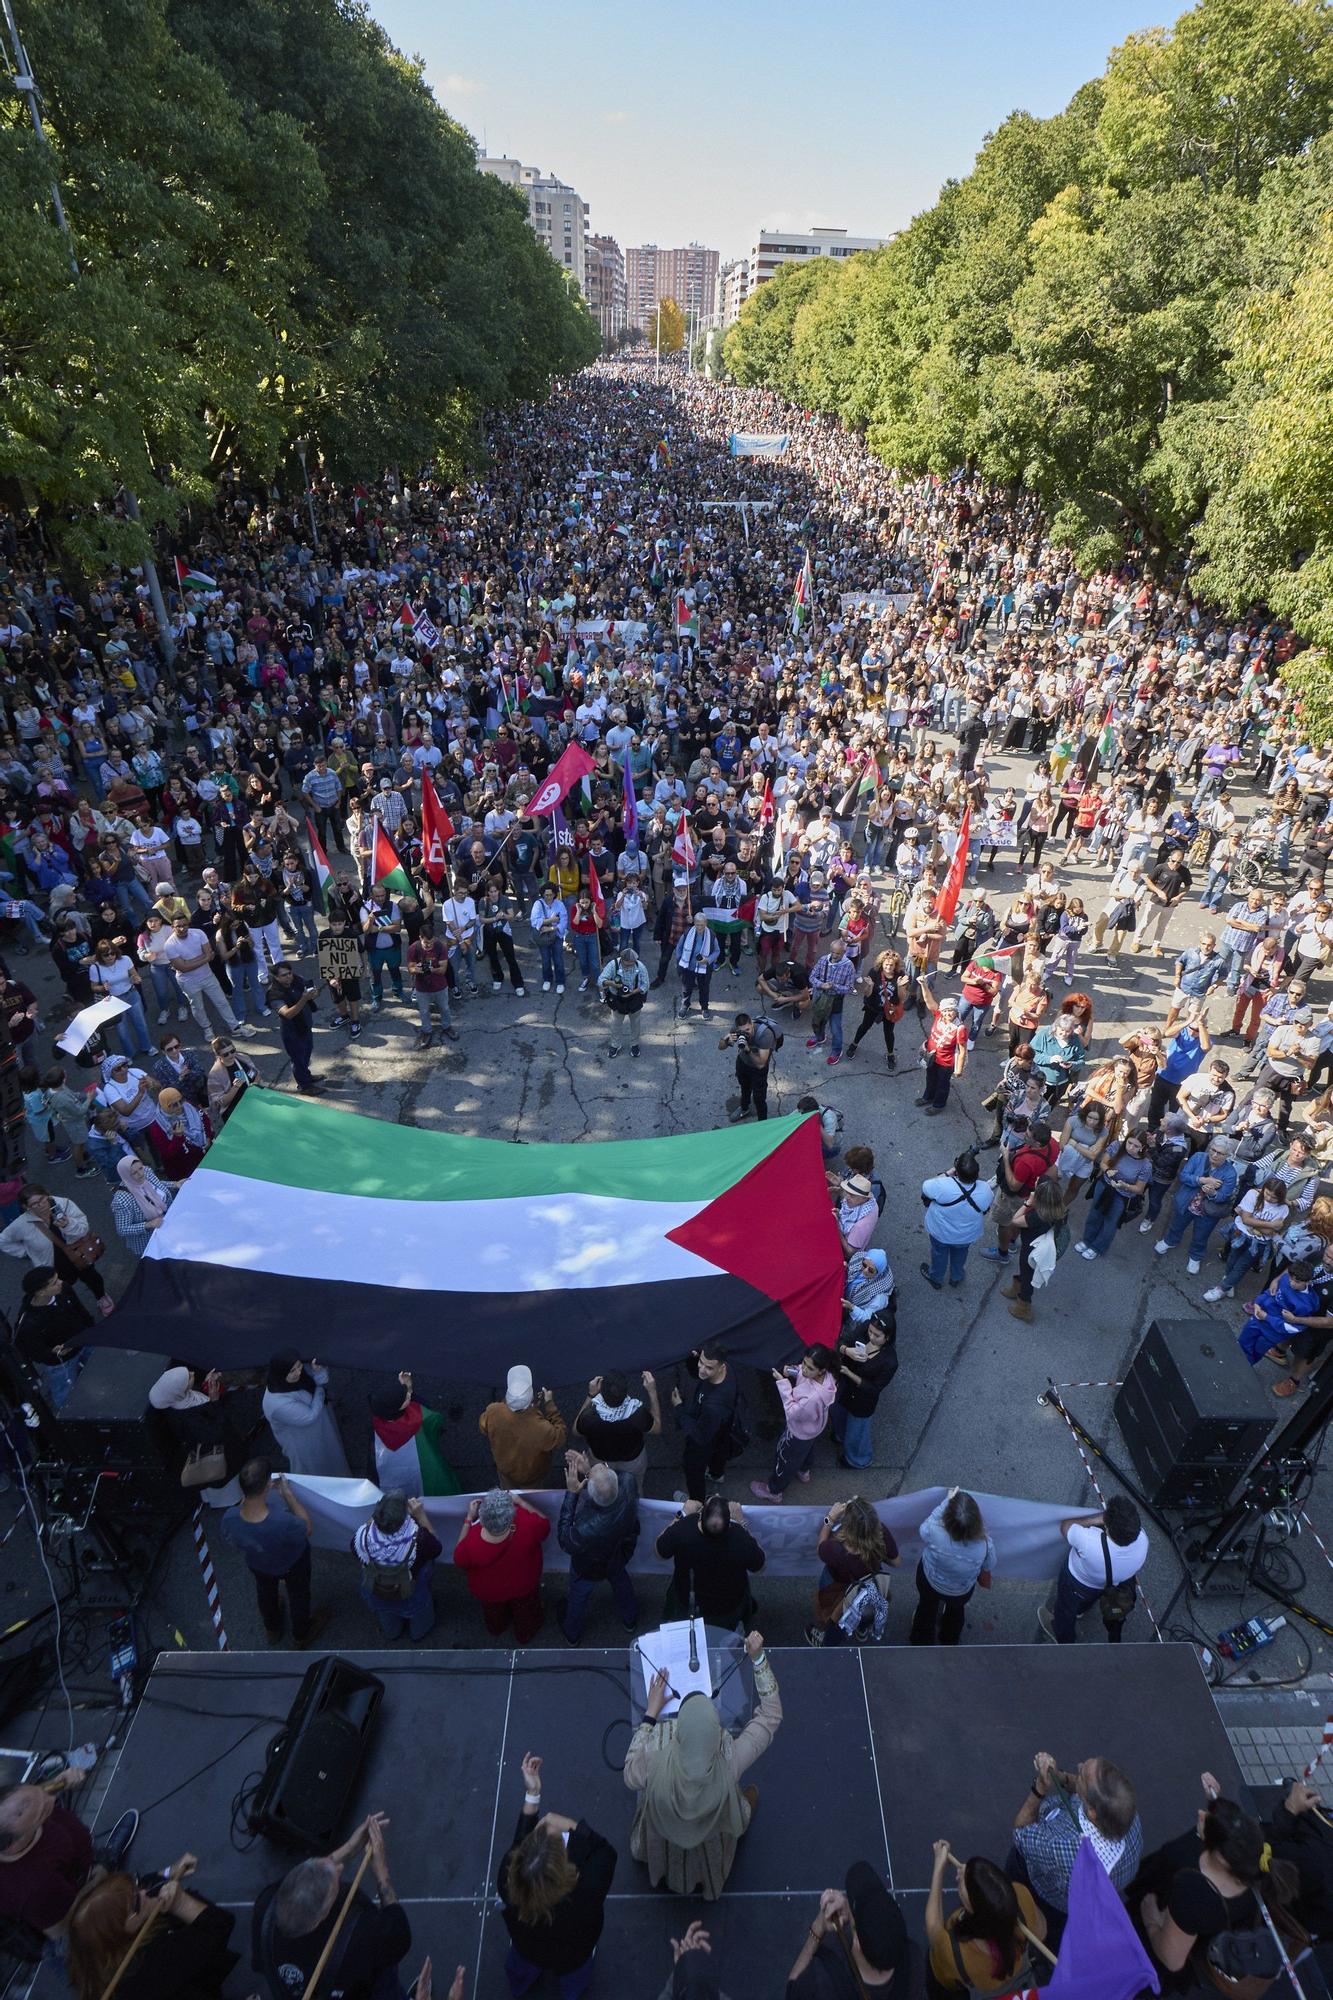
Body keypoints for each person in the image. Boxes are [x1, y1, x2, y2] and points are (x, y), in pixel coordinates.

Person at [623, 1631, 780, 1899]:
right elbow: (771, 1715)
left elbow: (629, 1776)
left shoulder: (657, 1750)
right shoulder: (729, 1756)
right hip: (710, 1841)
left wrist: (651, 1714)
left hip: (663, 1836)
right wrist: (759, 1659)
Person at [1129, 1777, 1302, 1994]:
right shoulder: (1252, 1862)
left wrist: (1151, 1919)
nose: (1201, 1815)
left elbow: (1171, 1959)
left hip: (1143, 1954)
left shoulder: (1195, 1892)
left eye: (1207, 1821)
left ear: (1220, 1857)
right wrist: (1215, 1800)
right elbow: (1233, 1834)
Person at [252, 1814, 417, 2000]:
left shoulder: (265, 1909)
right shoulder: (358, 1938)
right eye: (335, 1882)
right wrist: (382, 1873)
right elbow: (398, 1933)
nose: (339, 1869)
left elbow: (307, 1879)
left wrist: (348, 1849)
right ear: (320, 1918)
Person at [497, 1750, 617, 2000]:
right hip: (573, 1955)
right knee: (575, 1978)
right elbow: (605, 1852)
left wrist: (532, 1794)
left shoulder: (507, 1881)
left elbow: (518, 1845)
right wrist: (568, 1825)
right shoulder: (586, 1895)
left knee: (522, 1964)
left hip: (527, 1946)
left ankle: (520, 1985)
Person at [66, 1855, 238, 2000]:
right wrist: (181, 1903)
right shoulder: (152, 1966)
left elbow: (148, 1880)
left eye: (135, 1886)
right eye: (136, 1902)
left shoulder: (90, 1952)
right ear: (120, 1932)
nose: (143, 1893)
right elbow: (220, 1925)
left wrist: (172, 1871)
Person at [1010, 1751, 1142, 1937]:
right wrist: (1060, 1777)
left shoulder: (1059, 1848)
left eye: (1081, 1775)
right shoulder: (1128, 1817)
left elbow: (1021, 1832)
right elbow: (1084, 1792)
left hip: (1046, 1895)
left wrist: (1039, 1787)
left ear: (1092, 1812)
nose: (1078, 1765)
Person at [0, 1771, 138, 1944]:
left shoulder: (16, 1816)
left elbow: (20, 1804)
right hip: (84, 1891)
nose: (51, 1799)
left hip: (80, 1862)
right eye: (44, 1811)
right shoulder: (34, 1888)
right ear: (14, 1845)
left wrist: (57, 1782)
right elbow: (61, 1928)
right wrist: (98, 1878)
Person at [219, 1457, 326, 1648]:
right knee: (299, 1595)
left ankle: (272, 1628)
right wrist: (288, 1494)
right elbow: (307, 1528)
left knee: (265, 1592)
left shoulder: (229, 1517)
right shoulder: (283, 1522)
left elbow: (232, 1540)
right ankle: (301, 1633)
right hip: (292, 1564)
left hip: (259, 1564)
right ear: (268, 1484)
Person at [925, 1844, 1044, 1998]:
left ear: (976, 1910)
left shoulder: (956, 1952)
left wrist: (938, 1867)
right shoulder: (1022, 1895)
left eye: (964, 1883)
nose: (960, 1872)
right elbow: (1042, 1930)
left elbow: (934, 1929)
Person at [783, 1864, 909, 1997]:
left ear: (858, 1943)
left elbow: (792, 1989)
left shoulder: (820, 1980)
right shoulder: (913, 1964)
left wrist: (818, 1927)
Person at [1039, 1496, 1149, 1645]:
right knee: (1088, 1597)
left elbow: (1065, 1526)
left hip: (1077, 1581)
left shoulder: (1090, 1541)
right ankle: (1080, 1610)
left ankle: (1062, 1636)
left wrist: (1095, 1520)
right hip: (1104, 1584)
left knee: (1065, 1609)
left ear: (1108, 1527)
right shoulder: (1143, 1540)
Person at [557, 1453, 640, 1643]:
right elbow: (609, 1486)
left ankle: (572, 1633)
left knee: (578, 1597)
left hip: (589, 1567)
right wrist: (591, 1472)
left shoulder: (585, 1527)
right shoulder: (628, 1483)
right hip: (618, 1556)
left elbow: (564, 1540)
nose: (601, 1465)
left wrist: (572, 1493)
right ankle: (630, 1619)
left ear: (590, 1494)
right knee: (622, 1584)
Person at [453, 1487, 550, 1644]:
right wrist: (520, 1501)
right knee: (526, 1612)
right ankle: (525, 1634)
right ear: (511, 1515)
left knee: (493, 1612)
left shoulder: (472, 1541)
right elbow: (544, 1525)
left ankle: (497, 1627)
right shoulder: (525, 1522)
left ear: (482, 1519)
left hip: (488, 1591)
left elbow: (459, 1559)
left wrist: (469, 1519)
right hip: (524, 1583)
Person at [655, 1495, 765, 1628]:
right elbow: (760, 1567)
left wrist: (682, 1514)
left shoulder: (684, 1528)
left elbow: (659, 1552)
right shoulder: (740, 1538)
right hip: (728, 1607)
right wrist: (741, 1522)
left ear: (700, 1517)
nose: (718, 1494)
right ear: (729, 1523)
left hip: (688, 1601)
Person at [806, 1496, 900, 1649]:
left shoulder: (835, 1549)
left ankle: (827, 1635)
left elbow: (820, 1548)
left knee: (836, 1615)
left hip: (838, 1586)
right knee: (865, 1608)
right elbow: (896, 1562)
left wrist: (829, 1519)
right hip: (869, 1586)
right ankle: (862, 1629)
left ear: (847, 1527)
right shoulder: (881, 1532)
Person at [353, 1488, 443, 1644]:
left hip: (376, 1592)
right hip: (410, 1594)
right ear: (404, 1518)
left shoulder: (363, 1537)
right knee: (419, 1619)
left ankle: (392, 1633)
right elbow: (436, 1548)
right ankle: (418, 1635)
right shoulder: (419, 1539)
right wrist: (421, 1515)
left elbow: (356, 1551)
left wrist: (379, 1516)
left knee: (387, 1617)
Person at [750, 1346, 837, 1502]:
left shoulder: (811, 1398)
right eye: (803, 1363)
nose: (804, 1369)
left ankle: (774, 1491)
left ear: (821, 1370)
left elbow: (791, 1412)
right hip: (814, 1428)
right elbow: (803, 1374)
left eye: (810, 1368)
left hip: (797, 1433)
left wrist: (783, 1383)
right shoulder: (828, 1378)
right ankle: (804, 1471)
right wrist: (792, 1371)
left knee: (785, 1460)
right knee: (807, 1451)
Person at [910, 1488, 995, 1646]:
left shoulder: (933, 1532)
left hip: (929, 1582)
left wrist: (946, 1502)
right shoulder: (985, 1545)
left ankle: (921, 1641)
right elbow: (987, 1569)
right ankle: (949, 1641)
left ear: (947, 1518)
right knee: (956, 1613)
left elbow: (923, 1529)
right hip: (960, 1591)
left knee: (926, 1608)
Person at [1153, 1137, 1239, 1275]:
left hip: (1207, 1212)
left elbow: (1224, 1196)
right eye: (1213, 1150)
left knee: (1201, 1236)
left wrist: (1212, 1194)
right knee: (1176, 1225)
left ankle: (1195, 1256)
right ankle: (1170, 1241)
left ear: (1227, 1156)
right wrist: (1201, 1180)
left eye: (1220, 1153)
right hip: (1187, 1202)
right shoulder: (1198, 1157)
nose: (1215, 1155)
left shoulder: (1230, 1173)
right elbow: (1183, 1176)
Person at [368, 1371, 460, 1496]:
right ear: (399, 1408)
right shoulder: (421, 1416)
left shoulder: (377, 1426)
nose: (408, 1396)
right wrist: (409, 1388)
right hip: (426, 1470)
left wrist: (407, 1387)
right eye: (405, 1397)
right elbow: (436, 1421)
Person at [262, 1350, 350, 1477]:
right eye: (292, 1371)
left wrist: (318, 1373)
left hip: (317, 1431)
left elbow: (318, 1377)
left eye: (299, 1366)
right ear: (282, 1372)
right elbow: (310, 1416)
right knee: (316, 1470)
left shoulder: (285, 1381)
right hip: (305, 1445)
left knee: (331, 1458)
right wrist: (320, 1388)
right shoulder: (277, 1404)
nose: (298, 1372)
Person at [1072, 1127, 1153, 1261]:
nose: (1130, 1147)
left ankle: (1097, 1247)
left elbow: (1139, 1189)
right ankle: (1087, 1240)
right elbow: (1103, 1163)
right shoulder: (1116, 1146)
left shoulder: (1145, 1165)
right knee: (1095, 1213)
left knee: (1110, 1222)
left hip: (1123, 1195)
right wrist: (1108, 1171)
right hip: (1105, 1186)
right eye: (1129, 1143)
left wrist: (1124, 1185)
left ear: (1142, 1147)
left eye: (1136, 1146)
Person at [480, 1365, 568, 1488]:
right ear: (531, 1397)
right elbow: (560, 1437)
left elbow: (483, 1427)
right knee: (532, 1500)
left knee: (508, 1496)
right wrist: (549, 1405)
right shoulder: (542, 1429)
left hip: (505, 1471)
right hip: (533, 1475)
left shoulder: (493, 1411)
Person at [674, 1343, 741, 1503]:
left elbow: (699, 1435)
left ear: (720, 1367)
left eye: (709, 1367)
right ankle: (716, 1473)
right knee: (720, 1448)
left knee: (692, 1467)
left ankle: (696, 1502)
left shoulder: (714, 1406)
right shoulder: (726, 1369)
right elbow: (699, 1373)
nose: (702, 1369)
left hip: (705, 1433)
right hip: (722, 1427)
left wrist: (679, 1408)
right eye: (701, 1362)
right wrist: (694, 1360)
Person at [920, 1150, 993, 1289]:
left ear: (957, 1172)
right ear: (977, 1174)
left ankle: (936, 1278)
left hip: (940, 1232)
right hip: (966, 1235)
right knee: (961, 1254)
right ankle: (956, 1277)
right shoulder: (985, 1190)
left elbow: (926, 1187)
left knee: (939, 1253)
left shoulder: (943, 1185)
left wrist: (948, 1173)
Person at [831, 1315, 897, 1469]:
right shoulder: (865, 1329)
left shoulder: (890, 1361)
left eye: (877, 1336)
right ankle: (840, 1435)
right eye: (870, 1332)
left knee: (857, 1432)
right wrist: (846, 1351)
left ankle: (858, 1460)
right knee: (838, 1413)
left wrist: (849, 1373)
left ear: (887, 1337)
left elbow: (873, 1390)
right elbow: (842, 1341)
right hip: (845, 1388)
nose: (871, 1337)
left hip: (861, 1401)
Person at [574, 1370, 661, 1480]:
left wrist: (590, 1395)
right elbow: (656, 1428)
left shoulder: (590, 1415)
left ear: (601, 1391)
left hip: (600, 1461)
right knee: (633, 1488)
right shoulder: (638, 1413)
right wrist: (652, 1391)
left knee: (601, 1489)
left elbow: (575, 1431)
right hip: (632, 1461)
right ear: (626, 1392)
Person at [269, 961, 325, 1095]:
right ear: (276, 977)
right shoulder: (274, 994)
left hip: (305, 1025)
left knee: (306, 1053)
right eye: (283, 975)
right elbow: (288, 1014)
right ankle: (304, 1086)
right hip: (292, 1031)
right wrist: (304, 999)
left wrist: (314, 993)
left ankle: (306, 1075)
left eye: (289, 973)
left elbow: (311, 992)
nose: (288, 977)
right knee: (298, 1059)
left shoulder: (297, 980)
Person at [110, 1155, 176, 1257]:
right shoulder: (122, 1200)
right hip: (149, 1239)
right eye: (134, 1173)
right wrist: (147, 1225)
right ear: (126, 1175)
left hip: (168, 1223)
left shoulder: (147, 1172)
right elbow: (122, 1229)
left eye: (140, 1168)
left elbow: (158, 1185)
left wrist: (175, 1184)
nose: (140, 1174)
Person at [719, 1012, 778, 1123]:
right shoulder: (735, 1029)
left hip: (758, 1070)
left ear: (752, 1023)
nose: (745, 1034)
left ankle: (763, 1123)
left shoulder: (765, 1034)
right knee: (744, 1088)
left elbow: (761, 1064)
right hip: (742, 1063)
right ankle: (744, 1108)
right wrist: (726, 1040)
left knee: (759, 1098)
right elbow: (720, 1047)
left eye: (747, 1030)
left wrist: (748, 1050)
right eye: (742, 1031)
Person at [916, 990, 969, 1113]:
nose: (947, 1013)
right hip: (931, 1057)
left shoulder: (960, 1029)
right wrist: (924, 985)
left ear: (956, 1011)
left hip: (946, 1063)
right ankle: (928, 1097)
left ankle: (939, 1105)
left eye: (951, 1010)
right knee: (930, 1079)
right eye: (945, 1011)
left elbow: (962, 1051)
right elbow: (929, 1001)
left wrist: (959, 1069)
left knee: (942, 1085)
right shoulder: (939, 1016)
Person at [597, 945, 649, 1056]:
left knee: (635, 1023)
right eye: (626, 964)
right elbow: (600, 980)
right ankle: (615, 1045)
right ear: (622, 959)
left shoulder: (641, 967)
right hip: (616, 999)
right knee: (616, 1024)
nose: (629, 967)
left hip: (634, 999)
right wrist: (612, 983)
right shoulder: (613, 965)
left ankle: (634, 1044)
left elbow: (645, 985)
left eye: (632, 964)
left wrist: (632, 992)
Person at [677, 911, 720, 1017]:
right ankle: (685, 1005)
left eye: (702, 925)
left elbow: (717, 951)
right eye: (697, 924)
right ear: (694, 923)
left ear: (706, 923)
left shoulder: (712, 934)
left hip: (704, 967)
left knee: (704, 988)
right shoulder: (688, 933)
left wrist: (708, 959)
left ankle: (704, 1007)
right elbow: (679, 947)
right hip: (689, 966)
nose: (699, 927)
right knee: (686, 988)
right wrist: (680, 961)